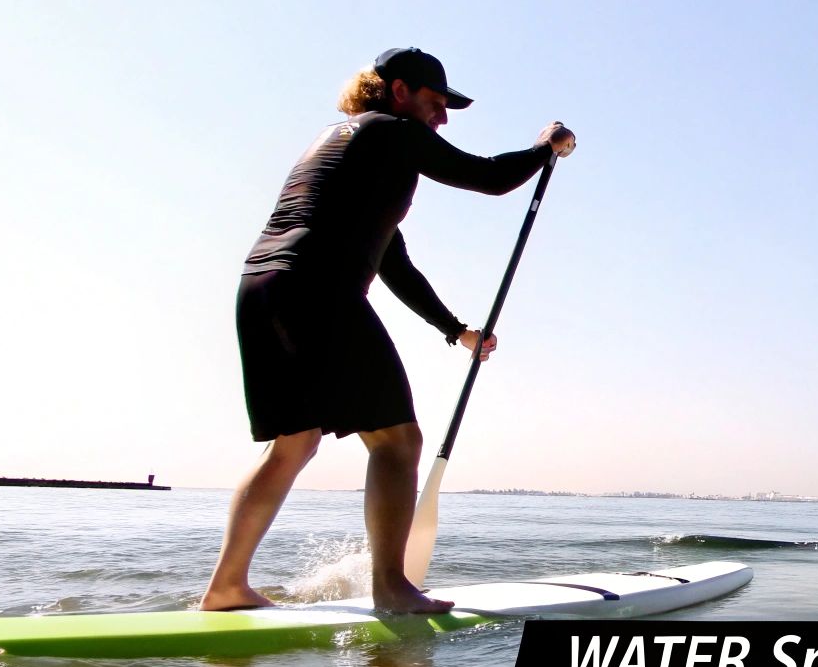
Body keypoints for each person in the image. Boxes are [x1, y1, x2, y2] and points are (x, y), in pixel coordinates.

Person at [201, 47, 577, 613]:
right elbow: (489, 178)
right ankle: (392, 588)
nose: (442, 118)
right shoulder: (392, 131)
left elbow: (392, 263)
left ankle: (226, 586)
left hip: (260, 287)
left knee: (293, 443)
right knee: (399, 443)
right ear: (399, 90)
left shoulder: (341, 145)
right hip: (317, 288)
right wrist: (544, 148)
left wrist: (457, 331)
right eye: (435, 103)